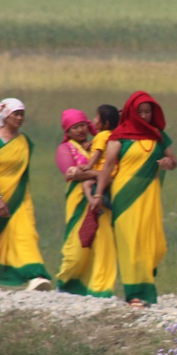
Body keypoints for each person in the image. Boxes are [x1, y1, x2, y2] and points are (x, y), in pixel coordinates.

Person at [92, 91, 176, 307]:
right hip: (125, 194)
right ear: (131, 112)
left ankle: (144, 279)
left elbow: (173, 160)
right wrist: (99, 193)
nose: (144, 116)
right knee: (130, 242)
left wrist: (168, 162)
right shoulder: (120, 136)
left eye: (148, 112)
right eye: (140, 112)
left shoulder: (158, 135)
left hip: (150, 194)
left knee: (155, 244)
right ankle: (135, 295)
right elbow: (108, 166)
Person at [0, 98, 51, 291]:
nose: (19, 118)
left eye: (21, 114)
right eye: (15, 114)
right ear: (5, 116)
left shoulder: (24, 141)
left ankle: (36, 275)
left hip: (20, 196)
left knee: (27, 233)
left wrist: (23, 194)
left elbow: (25, 171)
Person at [56, 108, 116, 298]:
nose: (80, 130)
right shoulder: (64, 149)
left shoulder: (99, 144)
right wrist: (100, 174)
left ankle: (101, 289)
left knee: (105, 244)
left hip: (102, 200)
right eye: (75, 128)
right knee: (76, 249)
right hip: (78, 203)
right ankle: (67, 283)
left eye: (82, 125)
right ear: (68, 132)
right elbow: (71, 173)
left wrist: (95, 174)